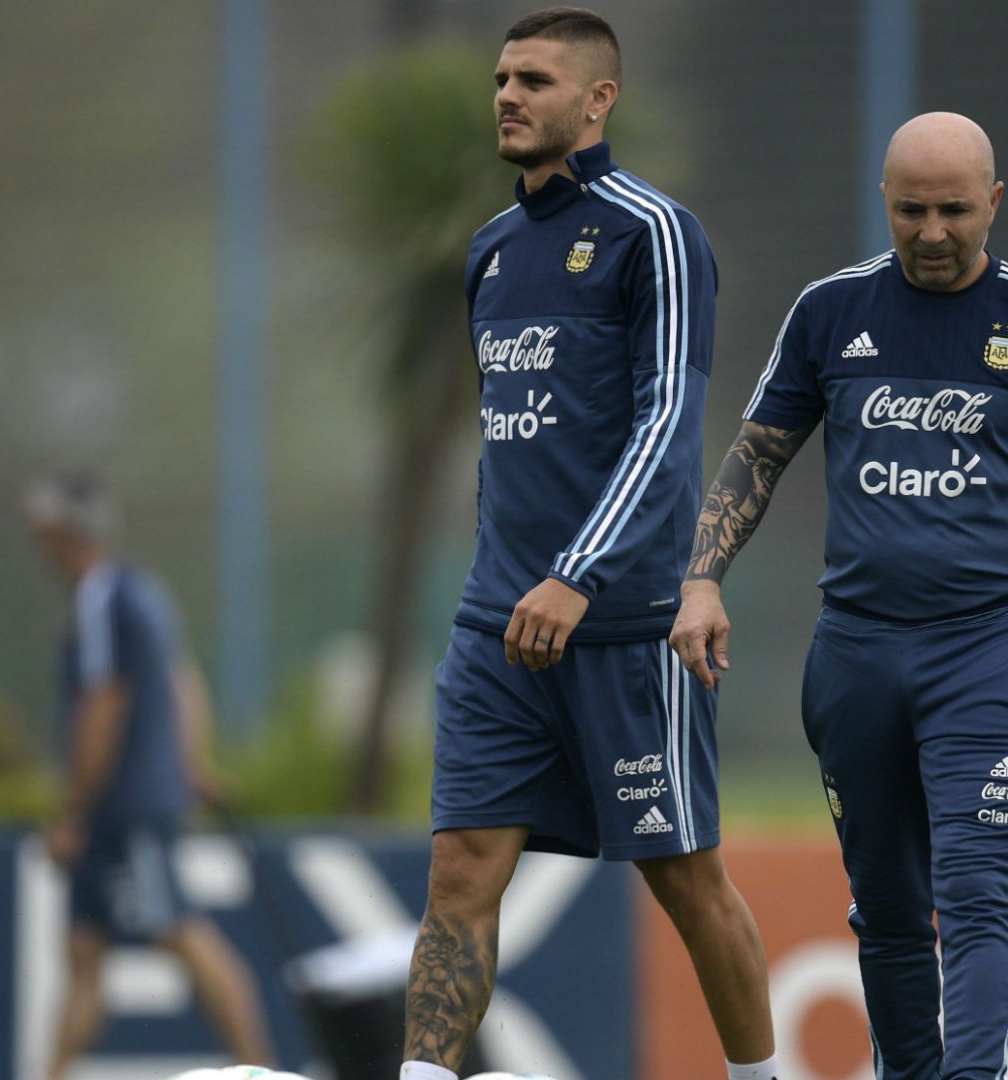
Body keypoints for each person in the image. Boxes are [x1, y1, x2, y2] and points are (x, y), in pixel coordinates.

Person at [671, 112, 1008, 1079]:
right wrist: (701, 580)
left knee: (974, 893)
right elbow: (757, 455)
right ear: (883, 201)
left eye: (955, 211)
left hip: (987, 652)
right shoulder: (829, 312)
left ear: (995, 203)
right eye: (911, 211)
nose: (933, 232)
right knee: (887, 909)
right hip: (856, 653)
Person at [401, 9, 777, 1080]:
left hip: (622, 629)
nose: (507, 96)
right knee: (460, 872)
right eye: (501, 79)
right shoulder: (488, 250)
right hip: (498, 627)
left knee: (686, 881)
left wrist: (578, 572)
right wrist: (510, 575)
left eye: (534, 79)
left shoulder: (654, 231)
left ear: (599, 99)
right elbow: (506, 444)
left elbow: (667, 427)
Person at [24, 470, 272, 1079]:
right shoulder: (144, 592)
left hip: (122, 810)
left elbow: (103, 704)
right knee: (84, 950)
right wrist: (192, 764)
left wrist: (73, 812)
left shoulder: (100, 599)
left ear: (57, 530)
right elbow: (183, 680)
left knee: (179, 932)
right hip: (131, 803)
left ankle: (257, 1069)